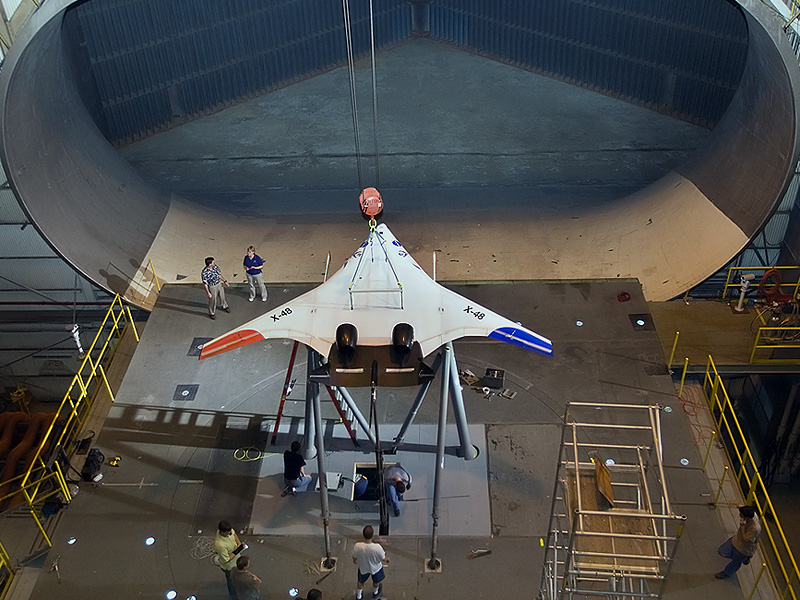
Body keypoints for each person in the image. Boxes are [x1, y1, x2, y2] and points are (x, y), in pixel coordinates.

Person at [715, 505, 762, 579]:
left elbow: (746, 539)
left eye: (741, 515)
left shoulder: (755, 528)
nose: (739, 515)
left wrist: (742, 527)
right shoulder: (752, 514)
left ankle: (726, 573)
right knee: (722, 551)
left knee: (735, 562)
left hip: (743, 549)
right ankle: (744, 558)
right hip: (736, 540)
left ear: (747, 518)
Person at [352, 525, 387, 599]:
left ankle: (359, 596)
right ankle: (375, 592)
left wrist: (355, 560)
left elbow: (354, 557)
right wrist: (387, 559)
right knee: (376, 582)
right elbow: (383, 558)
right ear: (372, 535)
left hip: (363, 568)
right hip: (376, 568)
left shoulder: (357, 546)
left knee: (360, 582)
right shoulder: (377, 547)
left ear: (363, 535)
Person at [214, 520, 246, 600]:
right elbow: (226, 559)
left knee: (238, 577)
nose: (230, 533)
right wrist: (237, 550)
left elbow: (234, 534)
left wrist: (239, 544)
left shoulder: (229, 531)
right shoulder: (220, 545)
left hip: (236, 560)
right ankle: (233, 596)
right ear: (222, 532)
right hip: (229, 566)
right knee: (231, 581)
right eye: (228, 533)